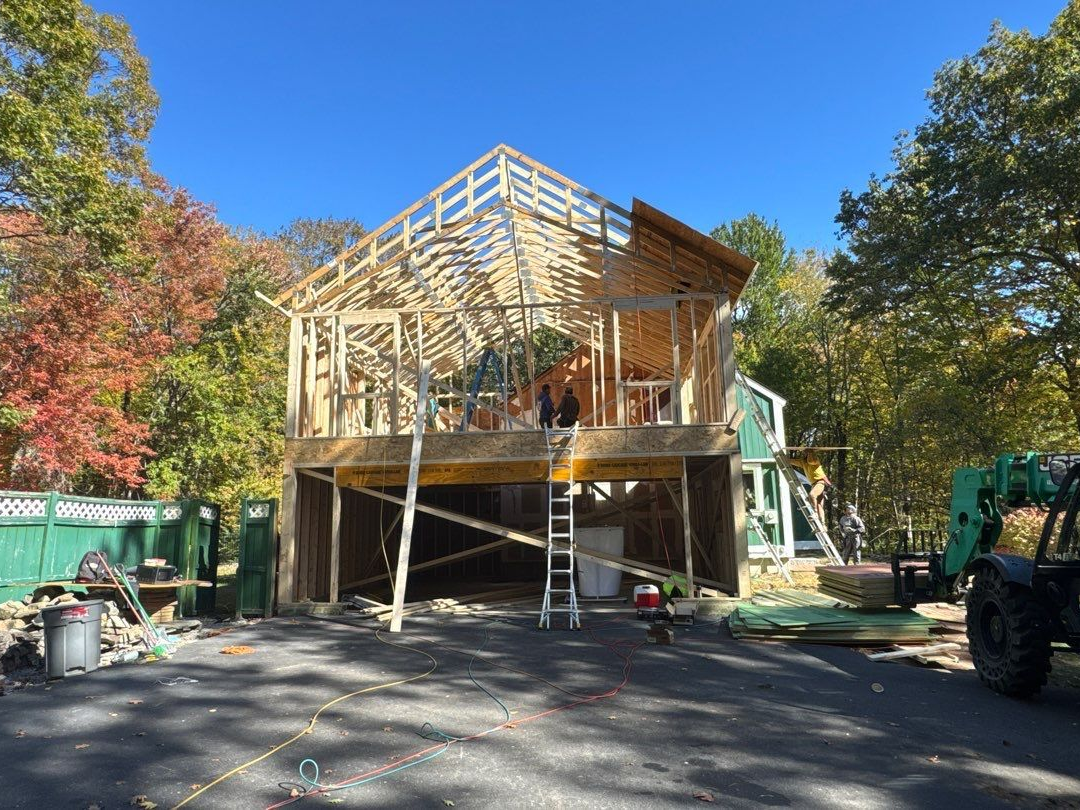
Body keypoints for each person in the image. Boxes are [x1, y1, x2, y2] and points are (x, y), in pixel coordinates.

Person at [790, 449, 831, 524]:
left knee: (812, 495)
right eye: (805, 453)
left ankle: (815, 514)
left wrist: (810, 452)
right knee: (819, 504)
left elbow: (810, 461)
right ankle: (822, 523)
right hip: (814, 484)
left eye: (807, 453)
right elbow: (793, 461)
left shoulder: (815, 460)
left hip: (821, 482)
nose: (805, 454)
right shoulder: (803, 462)